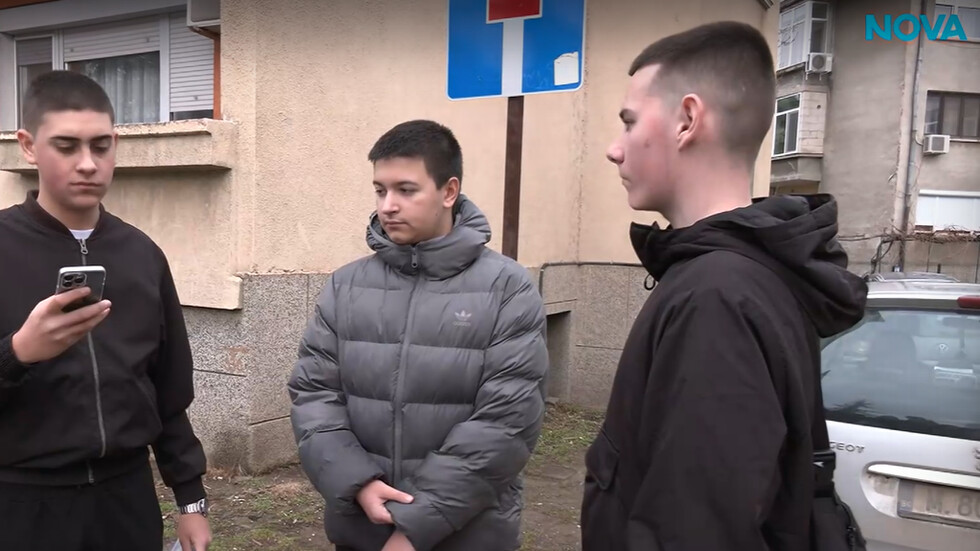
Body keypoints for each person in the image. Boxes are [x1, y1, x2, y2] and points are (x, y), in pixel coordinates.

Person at [580, 21, 868, 551]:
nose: (614, 150)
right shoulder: (746, 272)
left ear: (687, 120)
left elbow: (696, 532)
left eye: (629, 122)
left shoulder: (717, 297)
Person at [288, 119, 548, 551]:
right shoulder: (345, 286)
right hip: (362, 528)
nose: (388, 206)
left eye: (406, 190)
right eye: (380, 190)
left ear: (449, 191)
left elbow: (506, 422)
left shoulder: (507, 287)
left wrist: (414, 527)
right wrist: (358, 483)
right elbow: (314, 395)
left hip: (468, 534)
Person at [0, 71, 212, 551]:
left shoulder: (142, 255)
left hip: (125, 502)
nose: (87, 164)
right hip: (20, 505)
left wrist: (190, 499)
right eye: (66, 146)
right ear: (29, 146)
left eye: (100, 146)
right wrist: (18, 353)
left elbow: (168, 391)